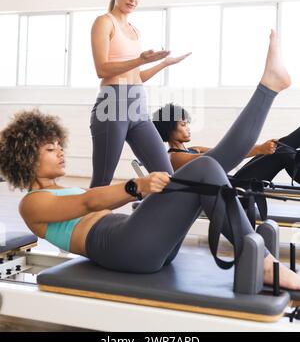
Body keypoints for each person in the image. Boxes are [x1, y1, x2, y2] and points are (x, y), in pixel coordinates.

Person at [1, 30, 300, 290]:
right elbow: (89, 203)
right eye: (50, 149)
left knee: (210, 164)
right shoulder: (32, 203)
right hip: (126, 248)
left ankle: (268, 89)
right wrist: (136, 186)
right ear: (27, 159)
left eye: (58, 145)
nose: (61, 151)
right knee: (208, 165)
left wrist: (144, 197)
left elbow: (98, 202)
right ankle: (259, 260)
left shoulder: (59, 189)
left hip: (142, 241)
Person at [90, 0, 191, 187]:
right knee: (102, 182)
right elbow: (102, 69)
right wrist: (140, 60)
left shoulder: (134, 30)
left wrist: (163, 63)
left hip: (138, 106)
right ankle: (87, 221)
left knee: (167, 176)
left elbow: (136, 76)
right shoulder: (104, 22)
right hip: (112, 105)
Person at [153, 103, 300, 184]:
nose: (188, 128)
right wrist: (260, 149)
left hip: (233, 181)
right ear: (169, 129)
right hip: (231, 189)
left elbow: (227, 150)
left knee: (281, 145)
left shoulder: (193, 149)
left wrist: (262, 148)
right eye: (183, 124)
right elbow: (221, 157)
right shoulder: (174, 158)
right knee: (281, 151)